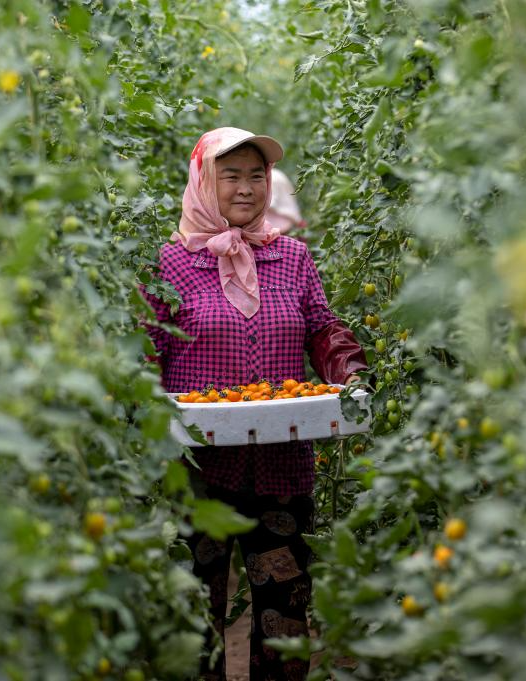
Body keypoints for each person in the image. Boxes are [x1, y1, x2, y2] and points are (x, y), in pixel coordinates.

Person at [140, 127, 367, 681]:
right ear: (203, 181)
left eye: (257, 175)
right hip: (198, 475)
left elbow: (321, 328)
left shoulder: (291, 257)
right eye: (231, 175)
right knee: (196, 621)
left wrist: (351, 374)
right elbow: (147, 351)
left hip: (281, 470)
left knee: (284, 618)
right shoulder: (170, 263)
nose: (246, 188)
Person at [264, 168, 306, 234]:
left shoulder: (270, 177)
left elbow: (270, 203)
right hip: (287, 222)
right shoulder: (279, 174)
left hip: (278, 223)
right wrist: (297, 219)